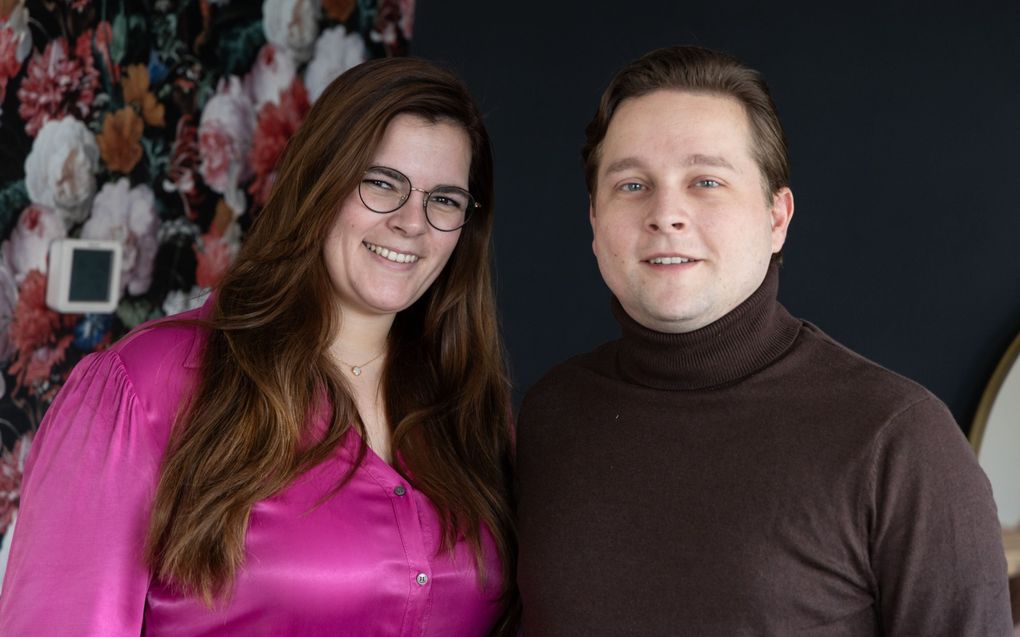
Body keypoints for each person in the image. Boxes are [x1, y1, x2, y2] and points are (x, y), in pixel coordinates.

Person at [0, 57, 518, 636]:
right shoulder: (146, 386)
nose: (411, 223)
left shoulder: (471, 406)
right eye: (380, 183)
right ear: (320, 183)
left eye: (444, 200)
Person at [515, 45, 1012, 636]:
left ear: (778, 218)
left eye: (705, 181)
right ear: (595, 223)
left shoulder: (899, 440)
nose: (666, 213)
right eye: (631, 185)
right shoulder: (551, 415)